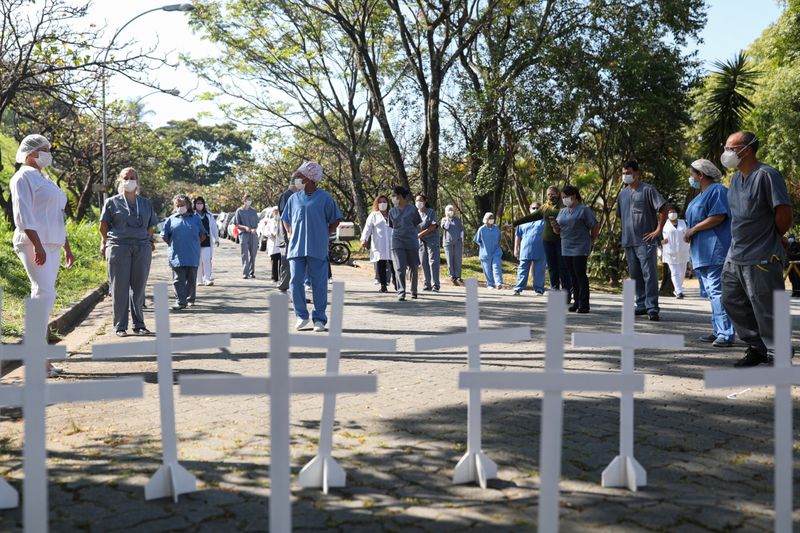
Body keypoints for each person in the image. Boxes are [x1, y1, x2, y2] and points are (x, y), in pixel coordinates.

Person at [719, 131, 792, 367]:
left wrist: (773, 236)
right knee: (732, 301)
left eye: (731, 148)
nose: (726, 153)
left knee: (766, 305)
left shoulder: (767, 175)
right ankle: (757, 347)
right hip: (735, 254)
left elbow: (784, 214)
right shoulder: (735, 180)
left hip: (762, 254)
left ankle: (777, 352)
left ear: (747, 149)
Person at [10, 134, 73, 377]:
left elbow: (57, 214)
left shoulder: (43, 178)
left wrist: (66, 245)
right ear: (31, 153)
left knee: (47, 295)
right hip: (34, 243)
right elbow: (23, 215)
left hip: (53, 243)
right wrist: (37, 245)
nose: (48, 153)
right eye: (44, 150)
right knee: (42, 293)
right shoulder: (22, 177)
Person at [282, 161, 343, 331]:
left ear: (310, 179)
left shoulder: (325, 198)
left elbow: (336, 219)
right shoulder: (294, 198)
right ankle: (301, 315)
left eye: (300, 177)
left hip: (317, 247)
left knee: (319, 283)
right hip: (296, 247)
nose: (297, 180)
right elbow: (285, 218)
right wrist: (289, 232)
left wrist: (325, 233)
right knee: (295, 281)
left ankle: (319, 319)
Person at [100, 167, 159, 337]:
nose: (130, 180)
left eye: (133, 177)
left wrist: (149, 241)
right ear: (120, 179)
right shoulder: (112, 202)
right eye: (126, 177)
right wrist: (107, 242)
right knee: (119, 287)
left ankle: (139, 324)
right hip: (119, 247)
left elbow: (150, 226)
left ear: (137, 181)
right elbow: (103, 226)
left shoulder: (146, 203)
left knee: (139, 287)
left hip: (141, 248)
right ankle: (120, 326)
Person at [683, 159, 735, 348]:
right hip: (701, 253)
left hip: (715, 250)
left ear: (701, 175)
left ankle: (726, 333)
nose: (691, 178)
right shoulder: (699, 196)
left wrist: (693, 229)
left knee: (718, 292)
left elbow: (719, 216)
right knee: (711, 293)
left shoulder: (718, 191)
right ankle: (717, 330)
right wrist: (690, 232)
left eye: (692, 174)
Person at [618, 160, 669, 321]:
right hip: (629, 241)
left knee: (649, 275)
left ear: (637, 173)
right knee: (635, 275)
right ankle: (640, 305)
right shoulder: (622, 194)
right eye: (624, 173)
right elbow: (622, 215)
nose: (625, 176)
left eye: (629, 172)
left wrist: (658, 230)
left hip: (645, 240)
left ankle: (652, 307)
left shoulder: (648, 189)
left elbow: (664, 208)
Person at [513, 187, 572, 301]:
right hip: (547, 241)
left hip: (561, 240)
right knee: (552, 268)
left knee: (562, 268)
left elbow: (571, 221)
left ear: (558, 194)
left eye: (553, 194)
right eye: (549, 194)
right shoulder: (545, 207)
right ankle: (555, 292)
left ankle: (566, 294)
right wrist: (514, 223)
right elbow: (530, 217)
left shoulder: (564, 207)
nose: (551, 196)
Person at [551, 185, 600, 313]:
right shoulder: (562, 211)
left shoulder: (584, 210)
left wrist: (592, 240)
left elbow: (594, 225)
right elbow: (558, 231)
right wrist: (555, 226)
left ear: (573, 196)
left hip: (580, 246)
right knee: (571, 275)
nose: (564, 200)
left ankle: (584, 304)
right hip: (566, 246)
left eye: (565, 197)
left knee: (580, 274)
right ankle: (576, 301)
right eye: (562, 198)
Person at [161, 194, 207, 310]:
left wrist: (194, 244)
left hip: (192, 254)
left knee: (191, 279)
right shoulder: (171, 219)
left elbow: (202, 235)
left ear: (188, 205)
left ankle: (190, 299)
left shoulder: (196, 219)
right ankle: (181, 301)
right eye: (178, 205)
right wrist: (174, 244)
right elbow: (164, 236)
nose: (180, 207)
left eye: (183, 205)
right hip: (177, 255)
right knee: (178, 279)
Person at [388, 186, 422, 301]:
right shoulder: (392, 211)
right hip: (397, 241)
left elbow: (417, 224)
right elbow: (392, 226)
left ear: (401, 196)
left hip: (411, 241)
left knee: (413, 266)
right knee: (399, 267)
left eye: (394, 195)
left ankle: (414, 290)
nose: (393, 198)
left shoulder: (413, 210)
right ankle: (401, 291)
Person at [360, 195, 396, 293]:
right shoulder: (373, 215)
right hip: (380, 244)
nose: (382, 204)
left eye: (384, 201)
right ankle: (383, 285)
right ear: (377, 204)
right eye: (380, 202)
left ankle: (397, 283)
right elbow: (367, 228)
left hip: (393, 242)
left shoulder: (392, 214)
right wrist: (364, 239)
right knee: (381, 264)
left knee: (395, 264)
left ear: (388, 203)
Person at [513, 202, 546, 296]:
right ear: (529, 209)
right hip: (525, 250)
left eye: (538, 208)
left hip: (541, 251)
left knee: (539, 271)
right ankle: (518, 289)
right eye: (533, 208)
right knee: (522, 270)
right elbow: (518, 236)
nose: (535, 209)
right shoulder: (523, 221)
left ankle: (539, 289)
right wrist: (516, 249)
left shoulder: (545, 221)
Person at [661, 205, 690, 299]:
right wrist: (661, 242)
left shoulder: (683, 223)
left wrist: (688, 238)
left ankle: (678, 289)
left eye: (673, 212)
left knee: (682, 272)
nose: (671, 214)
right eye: (669, 212)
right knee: (675, 272)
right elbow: (657, 236)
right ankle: (679, 291)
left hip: (683, 250)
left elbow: (689, 233)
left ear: (677, 213)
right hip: (670, 251)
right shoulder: (663, 224)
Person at [276, 180, 299, 292]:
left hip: (295, 234)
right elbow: (284, 216)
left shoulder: (297, 195)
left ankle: (291, 286)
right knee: (287, 260)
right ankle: (284, 284)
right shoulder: (286, 196)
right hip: (287, 235)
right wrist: (289, 231)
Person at [415, 193, 440, 292]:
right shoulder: (414, 213)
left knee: (433, 261)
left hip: (432, 239)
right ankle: (427, 283)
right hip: (420, 241)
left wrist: (421, 233)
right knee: (423, 262)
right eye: (417, 200)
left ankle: (435, 284)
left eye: (420, 200)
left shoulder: (431, 212)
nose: (418, 202)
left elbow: (433, 226)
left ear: (425, 202)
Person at [193, 196, 219, 287]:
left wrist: (216, 239)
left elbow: (214, 228)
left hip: (207, 241)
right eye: (197, 203)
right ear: (194, 204)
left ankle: (207, 278)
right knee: (198, 261)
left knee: (207, 260)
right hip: (195, 241)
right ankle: (199, 280)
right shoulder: (192, 215)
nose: (199, 205)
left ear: (204, 204)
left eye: (201, 203)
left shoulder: (209, 215)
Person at [474, 212, 504, 289]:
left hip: (496, 251)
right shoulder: (481, 229)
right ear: (486, 220)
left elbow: (500, 238)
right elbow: (477, 240)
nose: (491, 220)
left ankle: (498, 283)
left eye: (492, 218)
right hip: (485, 253)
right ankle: (490, 284)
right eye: (489, 218)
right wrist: (484, 247)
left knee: (496, 267)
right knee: (487, 270)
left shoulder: (496, 228)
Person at [233, 193, 259, 279]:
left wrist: (254, 229)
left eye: (250, 200)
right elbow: (236, 224)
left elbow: (256, 224)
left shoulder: (254, 211)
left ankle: (252, 272)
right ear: (244, 200)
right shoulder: (239, 211)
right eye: (247, 200)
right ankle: (245, 273)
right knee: (245, 254)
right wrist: (245, 227)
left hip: (253, 234)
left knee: (253, 253)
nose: (249, 201)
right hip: (244, 234)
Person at [441, 205, 464, 285]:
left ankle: (458, 276)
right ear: (446, 211)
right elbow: (446, 227)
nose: (450, 211)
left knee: (457, 259)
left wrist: (462, 240)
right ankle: (452, 275)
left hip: (458, 242)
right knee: (449, 259)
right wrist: (448, 219)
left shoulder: (457, 219)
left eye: (451, 210)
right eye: (448, 210)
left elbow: (461, 231)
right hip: (447, 243)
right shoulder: (444, 220)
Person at [265, 206, 282, 282]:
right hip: (273, 243)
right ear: (272, 213)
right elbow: (265, 232)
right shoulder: (269, 221)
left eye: (277, 211)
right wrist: (271, 234)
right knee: (274, 261)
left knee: (281, 262)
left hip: (281, 244)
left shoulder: (282, 221)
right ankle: (274, 277)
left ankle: (282, 277)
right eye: (274, 211)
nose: (276, 212)